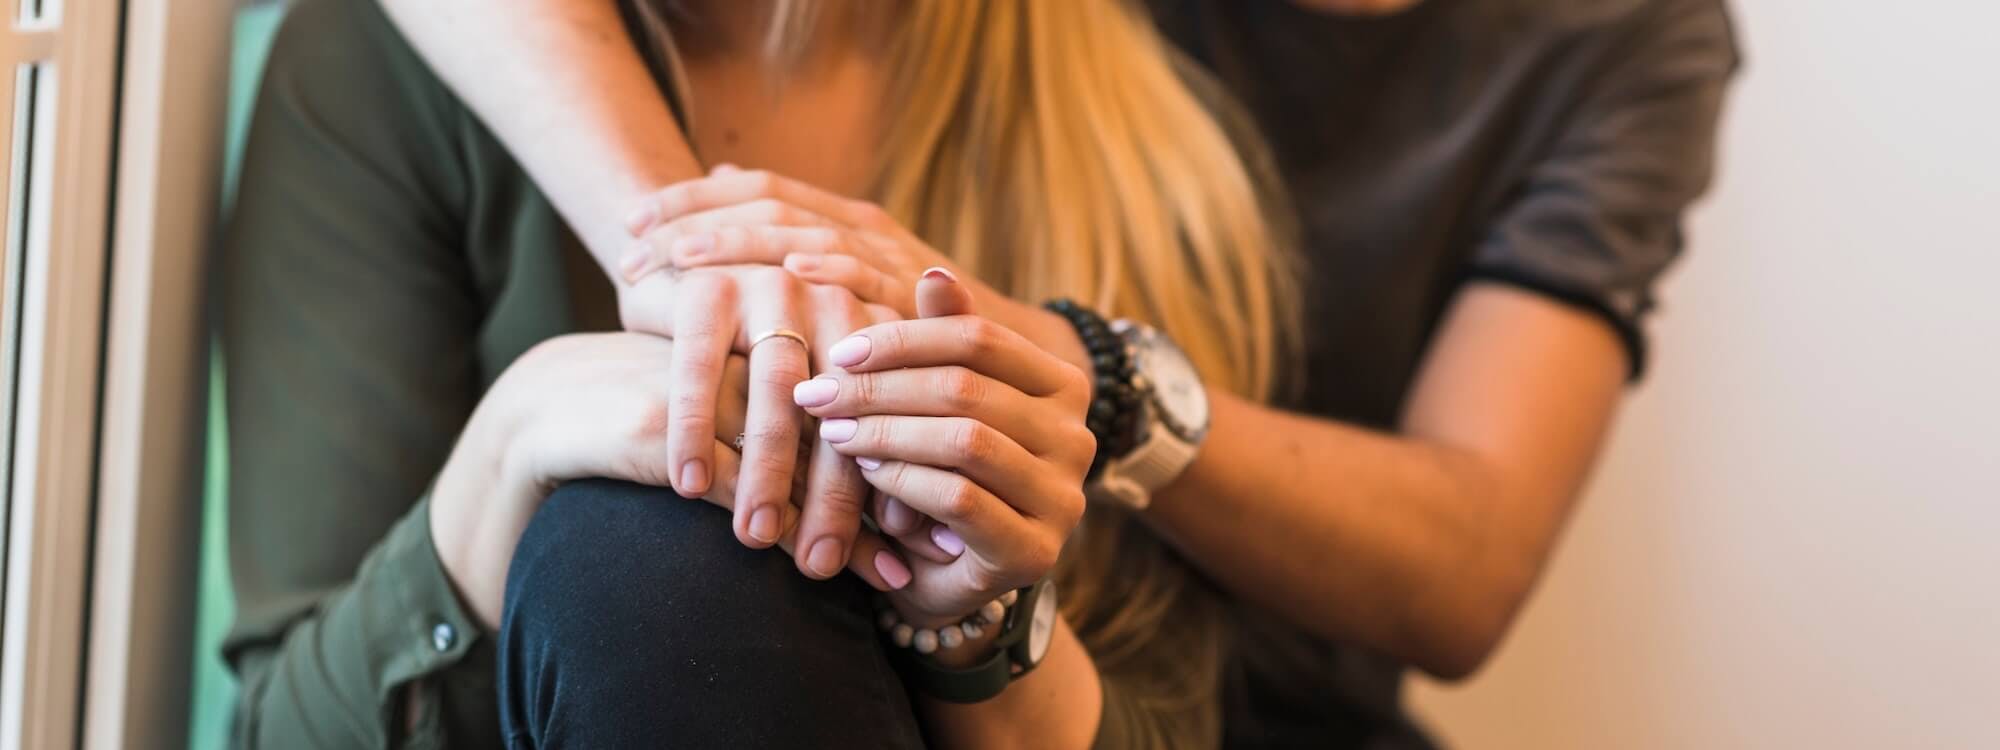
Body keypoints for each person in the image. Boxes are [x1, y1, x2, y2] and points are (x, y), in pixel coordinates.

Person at [224, 1, 1737, 749]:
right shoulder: (389, 75)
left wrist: (994, 615)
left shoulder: (1117, 133)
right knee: (643, 549)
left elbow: (1446, 573)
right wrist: (516, 446)